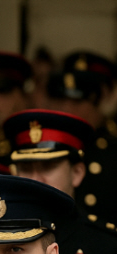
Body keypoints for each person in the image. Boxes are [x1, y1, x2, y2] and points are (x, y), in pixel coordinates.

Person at [4, 108, 117, 254]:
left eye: (48, 167)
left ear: (77, 173)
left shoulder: (107, 247)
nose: (35, 180)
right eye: (26, 168)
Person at [47, 52, 117, 227]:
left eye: (77, 102)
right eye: (61, 100)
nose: (66, 108)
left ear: (100, 99)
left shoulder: (111, 151)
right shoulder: (47, 147)